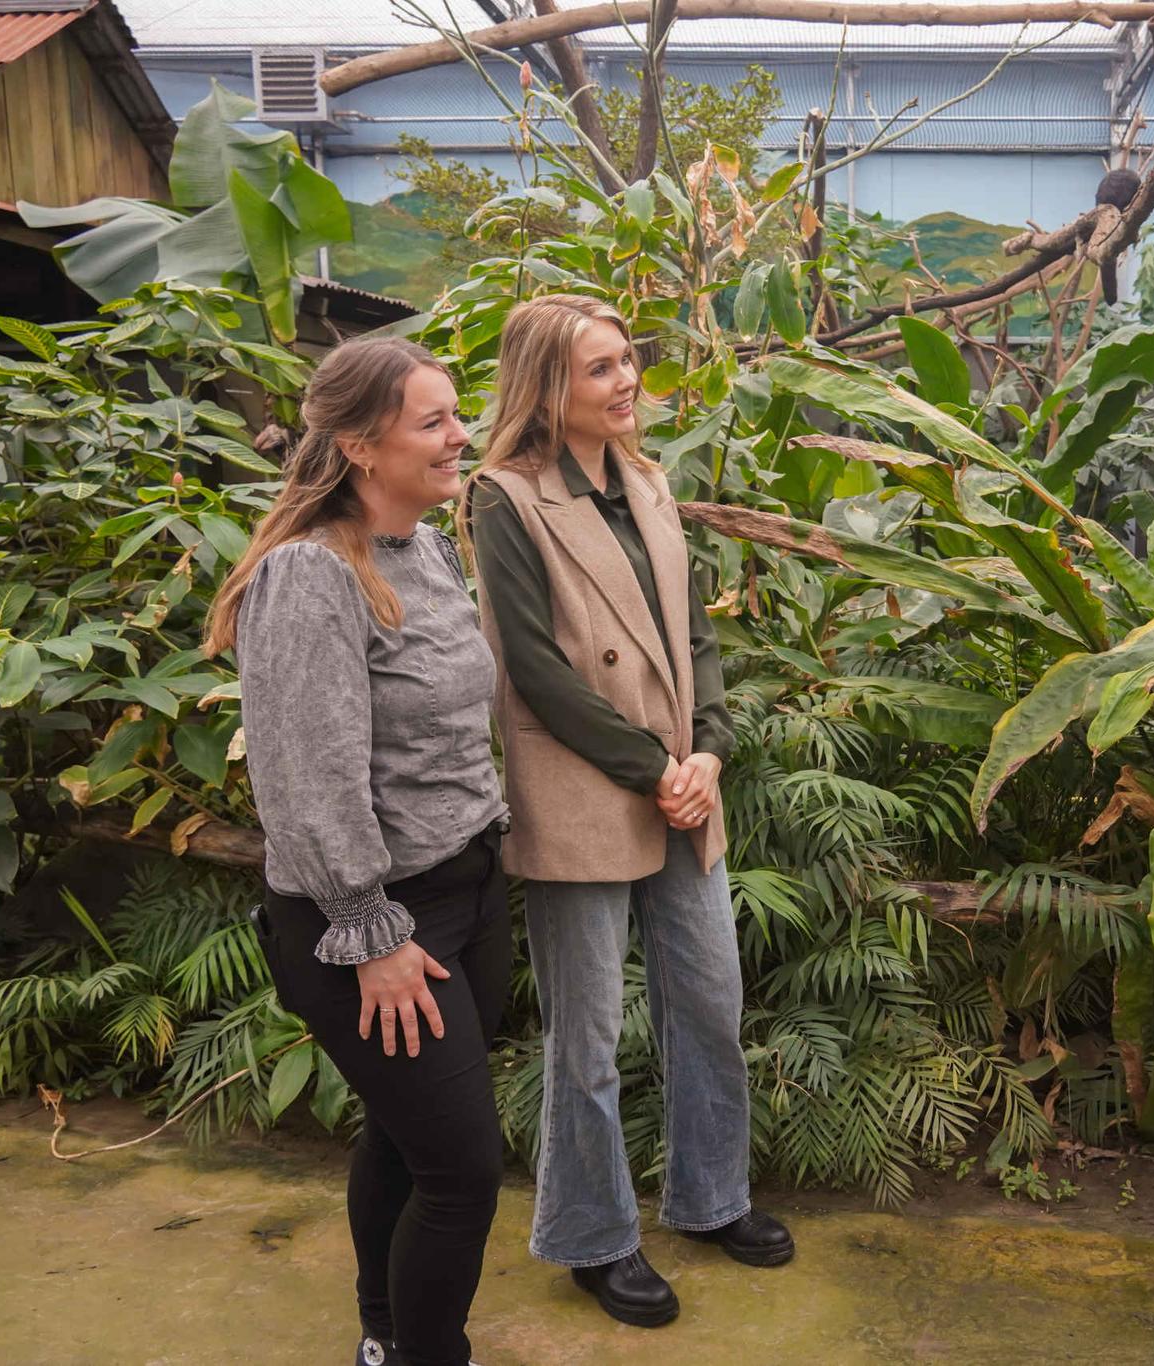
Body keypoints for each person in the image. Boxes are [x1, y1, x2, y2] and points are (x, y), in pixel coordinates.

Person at [462, 293, 792, 1329]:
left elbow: (696, 640)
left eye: (626, 361)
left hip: (683, 784)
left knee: (708, 1004)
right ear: (546, 389)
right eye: (599, 368)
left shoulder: (648, 483)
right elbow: (535, 672)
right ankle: (593, 1234)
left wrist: (709, 749)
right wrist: (653, 765)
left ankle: (709, 1197)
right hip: (584, 788)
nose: (626, 381)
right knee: (587, 1037)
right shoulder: (503, 498)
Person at [206, 338, 509, 1366]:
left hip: (469, 888)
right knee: (464, 1172)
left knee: (405, 1135)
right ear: (359, 446)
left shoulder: (421, 545)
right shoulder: (310, 573)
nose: (460, 433)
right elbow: (302, 778)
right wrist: (369, 928)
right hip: (375, 922)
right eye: (432, 420)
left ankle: (382, 1337)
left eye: (454, 413)